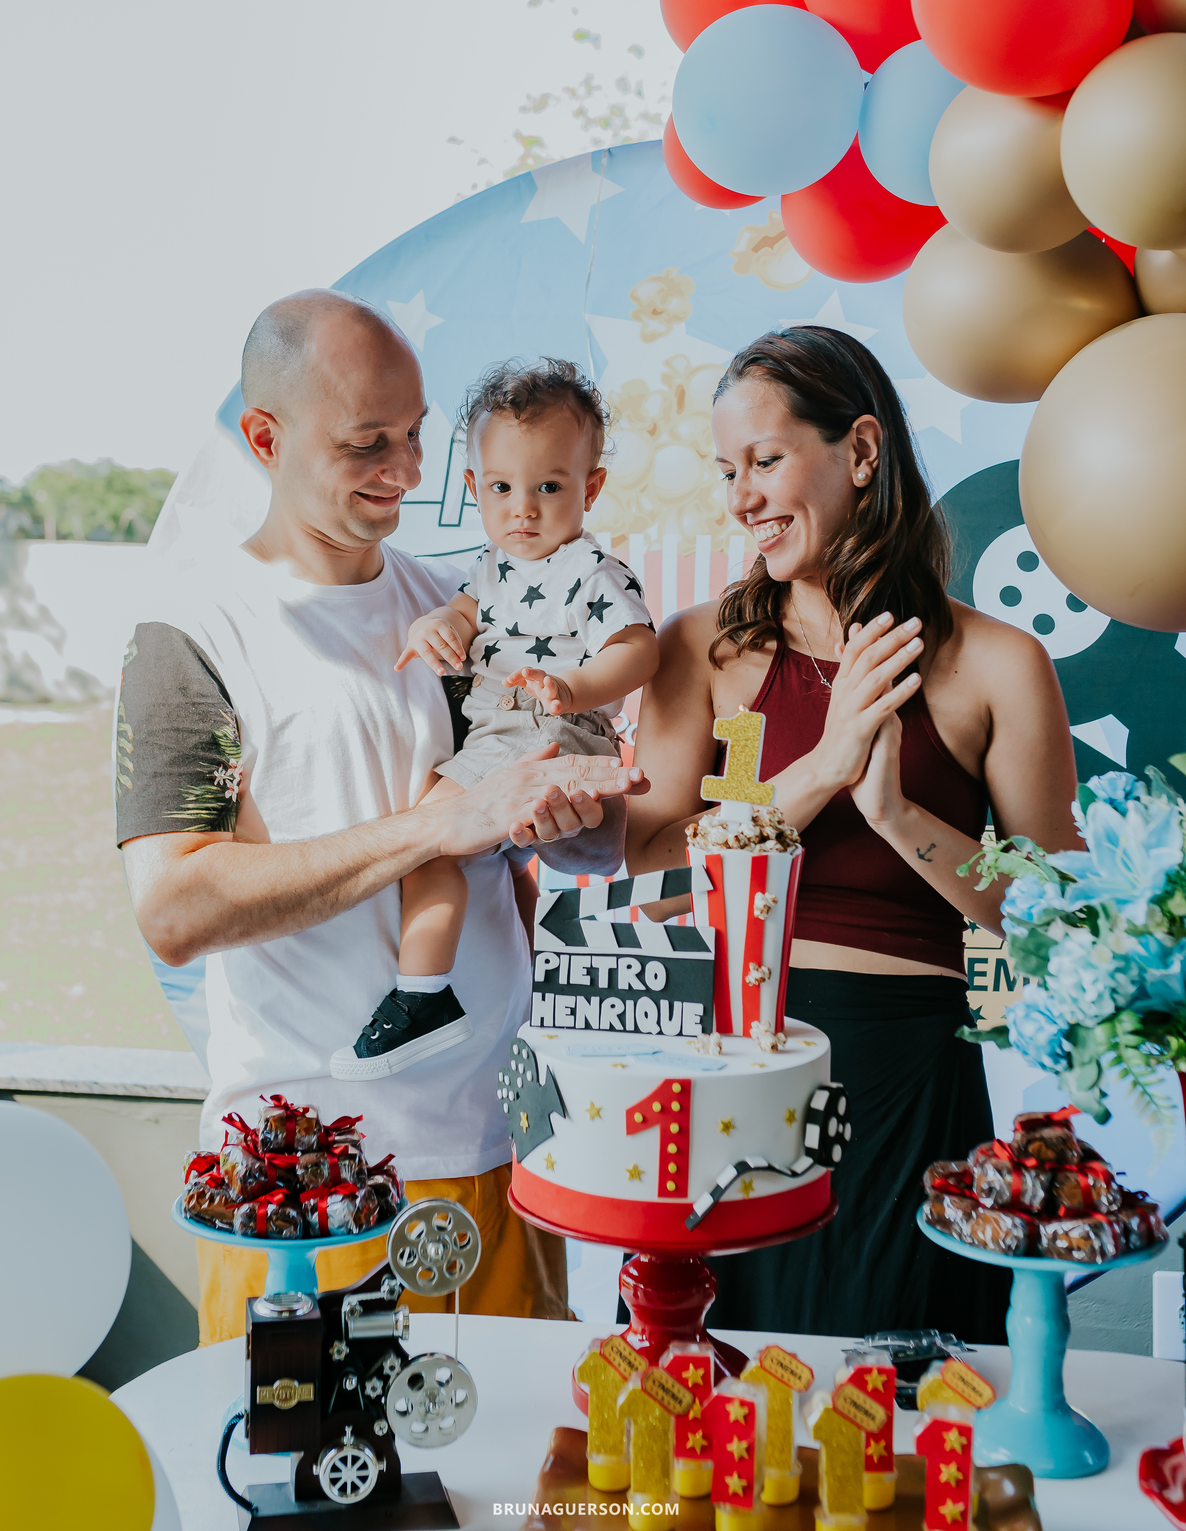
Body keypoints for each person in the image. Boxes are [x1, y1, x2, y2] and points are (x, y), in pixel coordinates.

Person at [116, 289, 645, 1342]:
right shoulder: (191, 631)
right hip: (308, 1176)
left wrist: (572, 820)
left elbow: (561, 844)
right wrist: (437, 829)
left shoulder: (467, 605)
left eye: (413, 436)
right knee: (310, 1482)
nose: (406, 472)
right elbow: (175, 904)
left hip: (501, 1146)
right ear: (266, 439)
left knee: (516, 1492)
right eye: (367, 444)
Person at [625, 326, 1081, 1342]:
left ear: (861, 453)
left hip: (912, 1083)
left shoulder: (1002, 664)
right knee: (728, 1395)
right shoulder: (700, 647)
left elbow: (1059, 920)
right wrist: (823, 770)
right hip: (735, 1059)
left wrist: (897, 816)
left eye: (767, 460)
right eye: (726, 469)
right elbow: (652, 876)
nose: (741, 496)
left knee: (903, 1415)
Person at [331, 357, 659, 1080]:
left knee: (427, 835)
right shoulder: (491, 567)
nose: (526, 510)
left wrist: (572, 685)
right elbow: (461, 611)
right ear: (474, 488)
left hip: (541, 729)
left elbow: (637, 650)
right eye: (504, 488)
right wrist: (431, 629)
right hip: (499, 733)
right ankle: (496, 993)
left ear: (591, 488)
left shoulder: (588, 570)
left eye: (549, 486)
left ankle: (424, 994)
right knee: (454, 848)